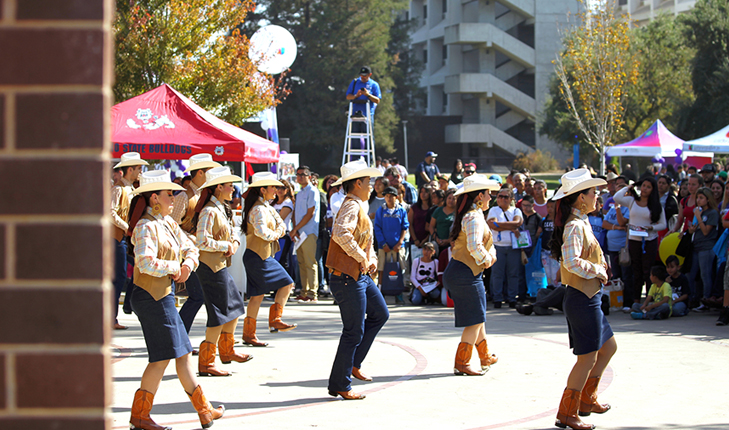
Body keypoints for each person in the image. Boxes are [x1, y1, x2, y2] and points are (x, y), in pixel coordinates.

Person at [126, 170, 224, 430]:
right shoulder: (146, 226)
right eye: (169, 194)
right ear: (154, 198)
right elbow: (145, 263)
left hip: (162, 295)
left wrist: (187, 266)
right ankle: (141, 416)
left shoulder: (166, 222)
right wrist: (174, 267)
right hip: (150, 297)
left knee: (181, 355)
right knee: (163, 358)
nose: (175, 197)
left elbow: (191, 246)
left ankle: (204, 410)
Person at [549, 168, 615, 430]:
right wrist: (599, 270)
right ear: (580, 198)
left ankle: (587, 400)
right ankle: (567, 412)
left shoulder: (581, 221)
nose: (597, 195)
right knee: (586, 358)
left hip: (589, 297)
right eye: (593, 192)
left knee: (608, 348)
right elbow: (572, 262)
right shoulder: (575, 225)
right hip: (581, 298)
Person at [326, 160, 389, 400]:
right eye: (369, 181)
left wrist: (369, 257)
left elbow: (365, 240)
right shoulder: (352, 205)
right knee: (353, 331)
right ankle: (341, 383)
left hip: (357, 275)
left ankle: (353, 365)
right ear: (358, 183)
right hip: (347, 277)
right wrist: (363, 257)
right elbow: (340, 233)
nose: (372, 185)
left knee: (380, 314)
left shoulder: (358, 205)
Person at [194, 167, 252, 377]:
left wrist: (233, 240)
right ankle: (207, 361)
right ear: (218, 187)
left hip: (218, 266)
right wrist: (225, 246)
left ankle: (226, 350)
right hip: (211, 266)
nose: (233, 190)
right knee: (218, 313)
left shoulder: (220, 208)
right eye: (229, 185)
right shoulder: (210, 210)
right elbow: (201, 241)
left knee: (235, 305)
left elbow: (232, 231)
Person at [442, 174, 501, 376]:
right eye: (488, 194)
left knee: (478, 316)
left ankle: (484, 356)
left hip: (462, 272)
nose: (490, 198)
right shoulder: (474, 216)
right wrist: (488, 260)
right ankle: (462, 362)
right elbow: (475, 247)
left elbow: (478, 245)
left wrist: (488, 255)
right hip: (465, 273)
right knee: (475, 320)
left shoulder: (471, 215)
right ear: (479, 196)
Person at [241, 172, 298, 348]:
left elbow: (281, 225)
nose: (277, 190)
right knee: (287, 283)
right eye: (273, 187)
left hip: (258, 255)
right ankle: (275, 319)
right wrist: (277, 234)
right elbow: (263, 232)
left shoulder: (265, 206)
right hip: (259, 256)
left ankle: (249, 334)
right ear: (262, 189)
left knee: (257, 296)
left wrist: (276, 232)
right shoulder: (259, 208)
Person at [171, 153, 221, 334]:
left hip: (202, 254)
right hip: (188, 254)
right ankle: (180, 335)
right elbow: (171, 227)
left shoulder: (206, 195)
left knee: (202, 296)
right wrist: (191, 239)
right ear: (200, 173)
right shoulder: (184, 197)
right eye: (210, 171)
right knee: (197, 296)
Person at [613, 176, 666, 307]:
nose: (645, 189)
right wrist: (629, 187)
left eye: (648, 187)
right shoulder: (632, 201)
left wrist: (651, 227)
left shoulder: (656, 206)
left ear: (652, 190)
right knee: (636, 271)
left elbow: (663, 224)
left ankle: (649, 300)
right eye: (643, 186)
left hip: (649, 240)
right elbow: (617, 197)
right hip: (634, 240)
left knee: (648, 271)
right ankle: (636, 300)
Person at [111, 152, 148, 330]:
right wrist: (127, 227)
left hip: (125, 239)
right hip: (116, 238)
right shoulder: (118, 189)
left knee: (129, 274)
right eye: (138, 168)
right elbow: (110, 212)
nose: (140, 171)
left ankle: (125, 308)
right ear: (130, 169)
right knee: (117, 278)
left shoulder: (131, 190)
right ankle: (111, 318)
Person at [486, 185, 523, 308]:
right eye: (500, 196)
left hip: (513, 247)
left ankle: (512, 298)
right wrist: (512, 227)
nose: (502, 199)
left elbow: (518, 222)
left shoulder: (516, 210)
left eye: (506, 197)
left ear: (511, 198)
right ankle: (497, 298)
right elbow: (492, 225)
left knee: (513, 274)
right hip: (498, 246)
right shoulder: (494, 210)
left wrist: (500, 225)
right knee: (497, 274)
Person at [686, 187, 719, 312]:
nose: (698, 200)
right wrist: (691, 230)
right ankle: (692, 298)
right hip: (696, 246)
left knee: (706, 275)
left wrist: (699, 217)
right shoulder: (699, 212)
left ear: (708, 199)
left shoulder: (712, 213)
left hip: (707, 247)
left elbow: (706, 231)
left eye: (701, 198)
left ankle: (706, 300)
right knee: (691, 274)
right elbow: (698, 229)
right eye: (697, 198)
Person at [291, 166, 320, 302]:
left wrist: (296, 228)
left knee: (310, 262)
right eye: (298, 174)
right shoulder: (299, 193)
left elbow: (310, 213)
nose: (300, 177)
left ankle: (312, 293)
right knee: (301, 262)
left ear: (309, 176)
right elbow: (296, 213)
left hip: (308, 231)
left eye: (303, 174)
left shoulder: (312, 191)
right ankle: (304, 291)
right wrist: (295, 228)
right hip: (299, 232)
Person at [374, 186, 409, 288]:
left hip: (397, 246)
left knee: (399, 268)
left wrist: (399, 243)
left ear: (397, 197)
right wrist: (383, 243)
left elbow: (404, 227)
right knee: (382, 268)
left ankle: (398, 292)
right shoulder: (381, 211)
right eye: (387, 196)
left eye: (392, 196)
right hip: (384, 246)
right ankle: (381, 290)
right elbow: (377, 228)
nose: (389, 198)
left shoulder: (401, 211)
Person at [345, 66, 381, 151]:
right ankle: (355, 159)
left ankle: (370, 159)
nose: (363, 77)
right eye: (361, 75)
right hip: (355, 115)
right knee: (354, 138)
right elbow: (348, 96)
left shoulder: (374, 85)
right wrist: (356, 96)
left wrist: (367, 95)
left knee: (368, 137)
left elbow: (377, 100)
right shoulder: (354, 82)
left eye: (365, 75)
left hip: (367, 115)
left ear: (370, 75)